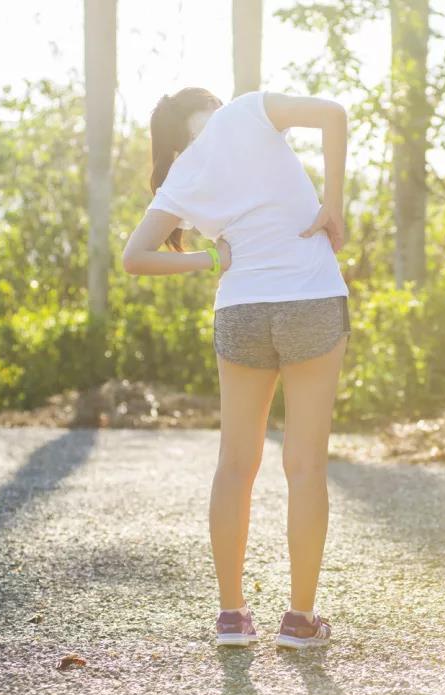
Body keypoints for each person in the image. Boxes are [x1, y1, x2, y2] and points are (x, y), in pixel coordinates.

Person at [121, 86, 351, 650]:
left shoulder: (183, 175)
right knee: (305, 466)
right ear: (212, 105)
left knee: (234, 466)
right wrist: (333, 204)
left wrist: (211, 258)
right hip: (311, 298)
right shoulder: (249, 109)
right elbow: (333, 114)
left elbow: (133, 258)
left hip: (242, 309)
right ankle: (299, 621)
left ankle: (232, 617)